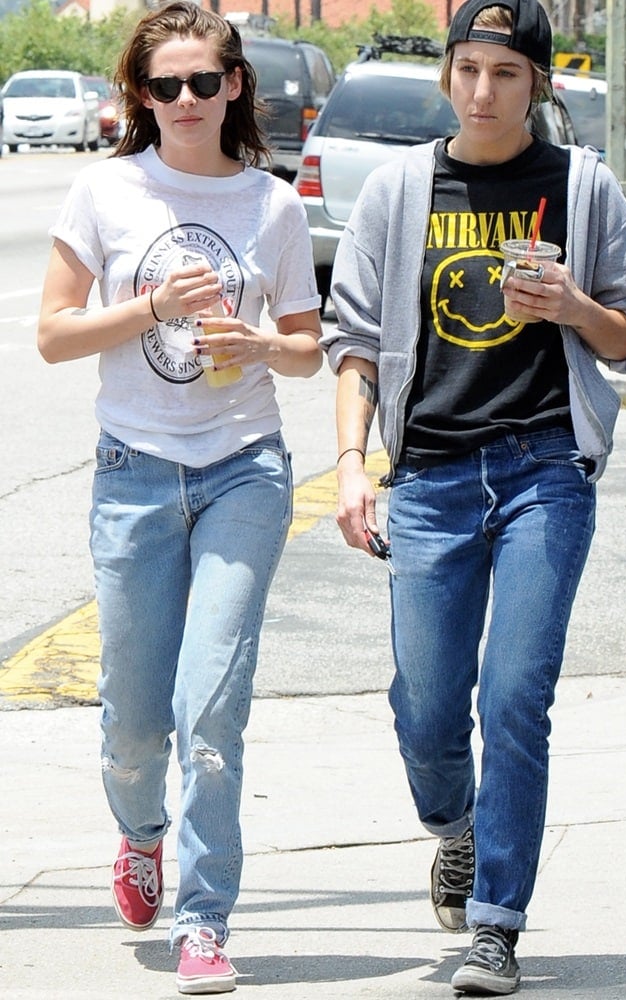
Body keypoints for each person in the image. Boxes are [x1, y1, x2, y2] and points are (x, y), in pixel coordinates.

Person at [323, 0, 626, 994]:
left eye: (504, 73)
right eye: (467, 69)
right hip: (427, 478)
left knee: (514, 695)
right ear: (447, 78)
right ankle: (457, 827)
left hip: (542, 471)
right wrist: (351, 463)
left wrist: (573, 306)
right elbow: (351, 344)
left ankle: (495, 924)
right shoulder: (399, 189)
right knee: (428, 709)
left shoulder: (582, 188)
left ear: (538, 85)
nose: (482, 91)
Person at [37, 2, 322, 994]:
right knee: (134, 723)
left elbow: (306, 348)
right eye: (168, 86)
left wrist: (259, 348)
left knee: (211, 711)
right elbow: (54, 335)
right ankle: (140, 834)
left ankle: (203, 921)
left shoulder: (272, 205)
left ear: (235, 86)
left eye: (206, 81)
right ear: (142, 95)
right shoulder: (105, 190)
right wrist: (151, 306)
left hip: (244, 469)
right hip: (135, 475)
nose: (188, 101)